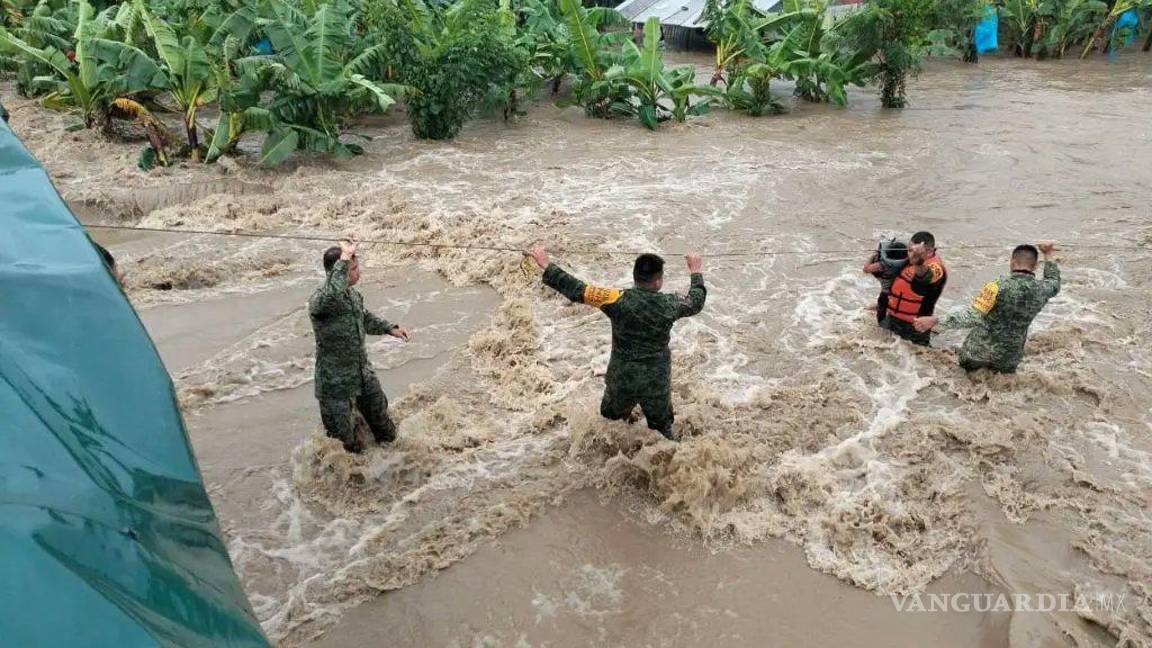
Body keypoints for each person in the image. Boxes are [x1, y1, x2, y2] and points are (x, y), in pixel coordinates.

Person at [528, 247, 706, 441]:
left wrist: (546, 264)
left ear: (635, 277)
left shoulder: (614, 298)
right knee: (663, 431)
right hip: (655, 381)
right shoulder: (669, 304)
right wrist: (695, 270)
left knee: (610, 424)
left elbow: (577, 289)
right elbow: (695, 302)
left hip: (622, 377)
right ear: (658, 281)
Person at [309, 236, 410, 453]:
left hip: (361, 374)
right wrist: (345, 257)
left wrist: (389, 328)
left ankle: (394, 464)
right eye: (353, 269)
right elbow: (332, 293)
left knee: (385, 428)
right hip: (335, 384)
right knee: (343, 445)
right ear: (337, 272)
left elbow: (363, 317)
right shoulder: (321, 300)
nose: (359, 273)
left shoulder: (352, 295)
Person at [914, 242, 1060, 374]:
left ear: (1012, 262)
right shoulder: (1043, 289)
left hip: (976, 355)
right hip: (1008, 360)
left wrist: (936, 320)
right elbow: (1054, 281)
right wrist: (1048, 253)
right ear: (1036, 266)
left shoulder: (996, 286)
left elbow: (972, 317)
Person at [881, 231, 947, 346]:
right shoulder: (909, 259)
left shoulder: (937, 269)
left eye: (914, 251)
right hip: (891, 320)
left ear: (929, 251)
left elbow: (925, 277)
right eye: (910, 249)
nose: (910, 254)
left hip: (916, 327)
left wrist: (918, 260)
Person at [862, 238, 908, 325]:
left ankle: (882, 324)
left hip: (886, 293)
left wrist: (873, 256)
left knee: (882, 312)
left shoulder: (883, 265)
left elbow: (866, 269)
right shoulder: (908, 262)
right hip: (901, 292)